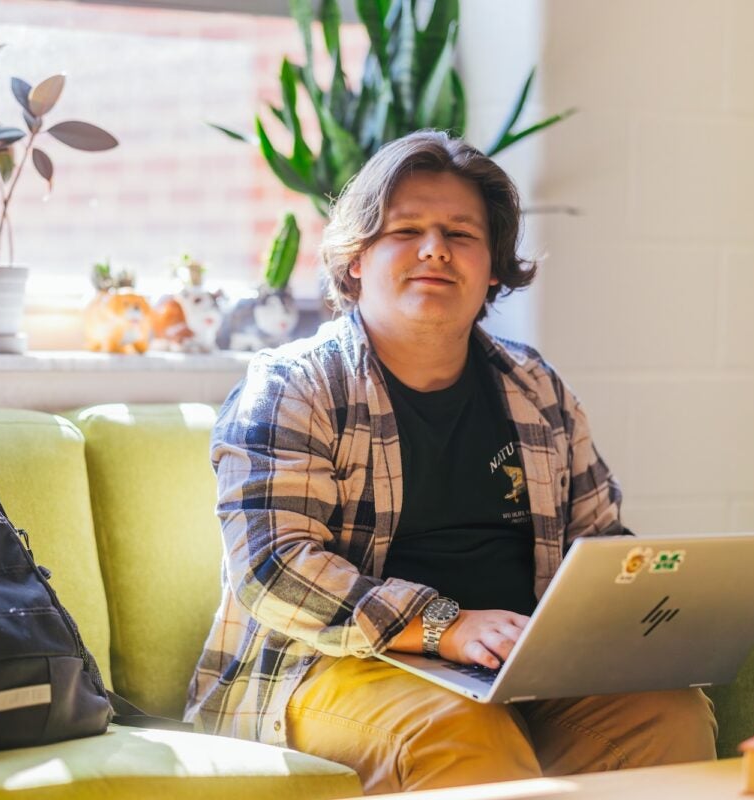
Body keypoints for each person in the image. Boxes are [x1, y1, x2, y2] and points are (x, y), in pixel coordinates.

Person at [185, 130, 716, 794]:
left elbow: (599, 542)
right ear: (355, 260)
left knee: (666, 711)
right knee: (461, 728)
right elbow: (273, 570)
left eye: (461, 235)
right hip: (330, 668)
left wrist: (644, 609)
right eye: (405, 230)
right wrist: (445, 627)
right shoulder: (293, 385)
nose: (434, 248)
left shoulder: (537, 388)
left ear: (493, 266)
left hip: (517, 667)